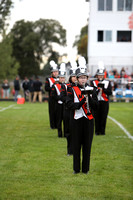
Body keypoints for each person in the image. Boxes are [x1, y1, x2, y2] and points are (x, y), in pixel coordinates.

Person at [66, 57, 98, 174]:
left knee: (87, 146)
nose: (83, 80)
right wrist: (80, 103)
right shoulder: (72, 89)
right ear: (77, 78)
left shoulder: (92, 89)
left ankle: (85, 169)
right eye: (80, 78)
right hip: (76, 120)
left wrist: (89, 97)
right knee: (76, 145)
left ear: (87, 78)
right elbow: (69, 104)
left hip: (88, 120)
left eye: (84, 78)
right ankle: (76, 169)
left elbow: (96, 106)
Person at [60, 62, 77, 155]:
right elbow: (62, 97)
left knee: (77, 132)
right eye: (73, 76)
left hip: (78, 112)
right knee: (68, 131)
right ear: (70, 77)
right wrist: (69, 102)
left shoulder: (80, 87)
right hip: (68, 111)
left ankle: (76, 150)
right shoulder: (65, 86)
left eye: (76, 76)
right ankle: (70, 150)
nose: (74, 78)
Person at [91, 68, 112, 135]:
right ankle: (97, 131)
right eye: (99, 75)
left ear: (104, 75)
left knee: (103, 117)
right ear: (97, 75)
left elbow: (110, 92)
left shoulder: (108, 82)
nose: (100, 76)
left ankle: (102, 131)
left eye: (101, 75)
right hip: (96, 102)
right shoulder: (93, 82)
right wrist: (97, 89)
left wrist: (104, 89)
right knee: (96, 117)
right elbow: (92, 92)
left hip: (104, 101)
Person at [51, 63, 66, 138]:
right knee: (59, 120)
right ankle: (60, 134)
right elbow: (53, 95)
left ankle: (66, 134)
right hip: (58, 105)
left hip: (65, 105)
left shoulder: (67, 86)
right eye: (61, 78)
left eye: (63, 78)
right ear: (59, 78)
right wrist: (59, 97)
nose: (62, 79)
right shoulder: (55, 85)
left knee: (66, 120)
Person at [45, 60, 59, 129]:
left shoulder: (60, 79)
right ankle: (52, 125)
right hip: (52, 98)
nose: (56, 73)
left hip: (59, 98)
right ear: (52, 73)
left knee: (58, 112)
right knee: (52, 112)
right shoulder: (48, 79)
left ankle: (57, 124)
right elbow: (46, 88)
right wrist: (53, 87)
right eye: (54, 72)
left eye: (56, 71)